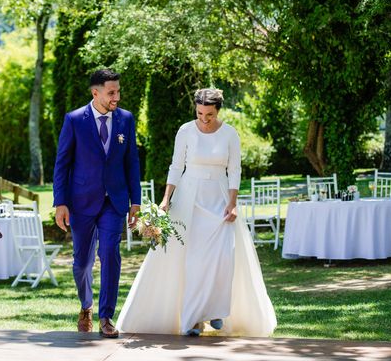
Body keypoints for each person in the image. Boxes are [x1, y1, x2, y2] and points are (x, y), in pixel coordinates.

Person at [116, 88, 276, 337]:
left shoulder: (230, 134)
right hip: (189, 199)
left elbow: (234, 170)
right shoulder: (186, 131)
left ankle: (215, 310)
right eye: (200, 113)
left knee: (223, 257)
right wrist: (166, 199)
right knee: (190, 260)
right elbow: (176, 165)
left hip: (219, 199)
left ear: (218, 111)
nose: (204, 118)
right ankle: (191, 320)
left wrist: (232, 202)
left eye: (209, 114)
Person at [53, 69, 141, 338]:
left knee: (110, 254)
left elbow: (132, 161)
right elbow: (63, 163)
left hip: (114, 201)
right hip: (81, 202)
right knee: (81, 262)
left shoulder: (126, 119)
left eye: (118, 91)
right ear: (96, 92)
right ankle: (86, 305)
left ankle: (106, 316)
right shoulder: (75, 119)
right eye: (111, 92)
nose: (117, 96)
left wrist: (135, 201)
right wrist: (61, 202)